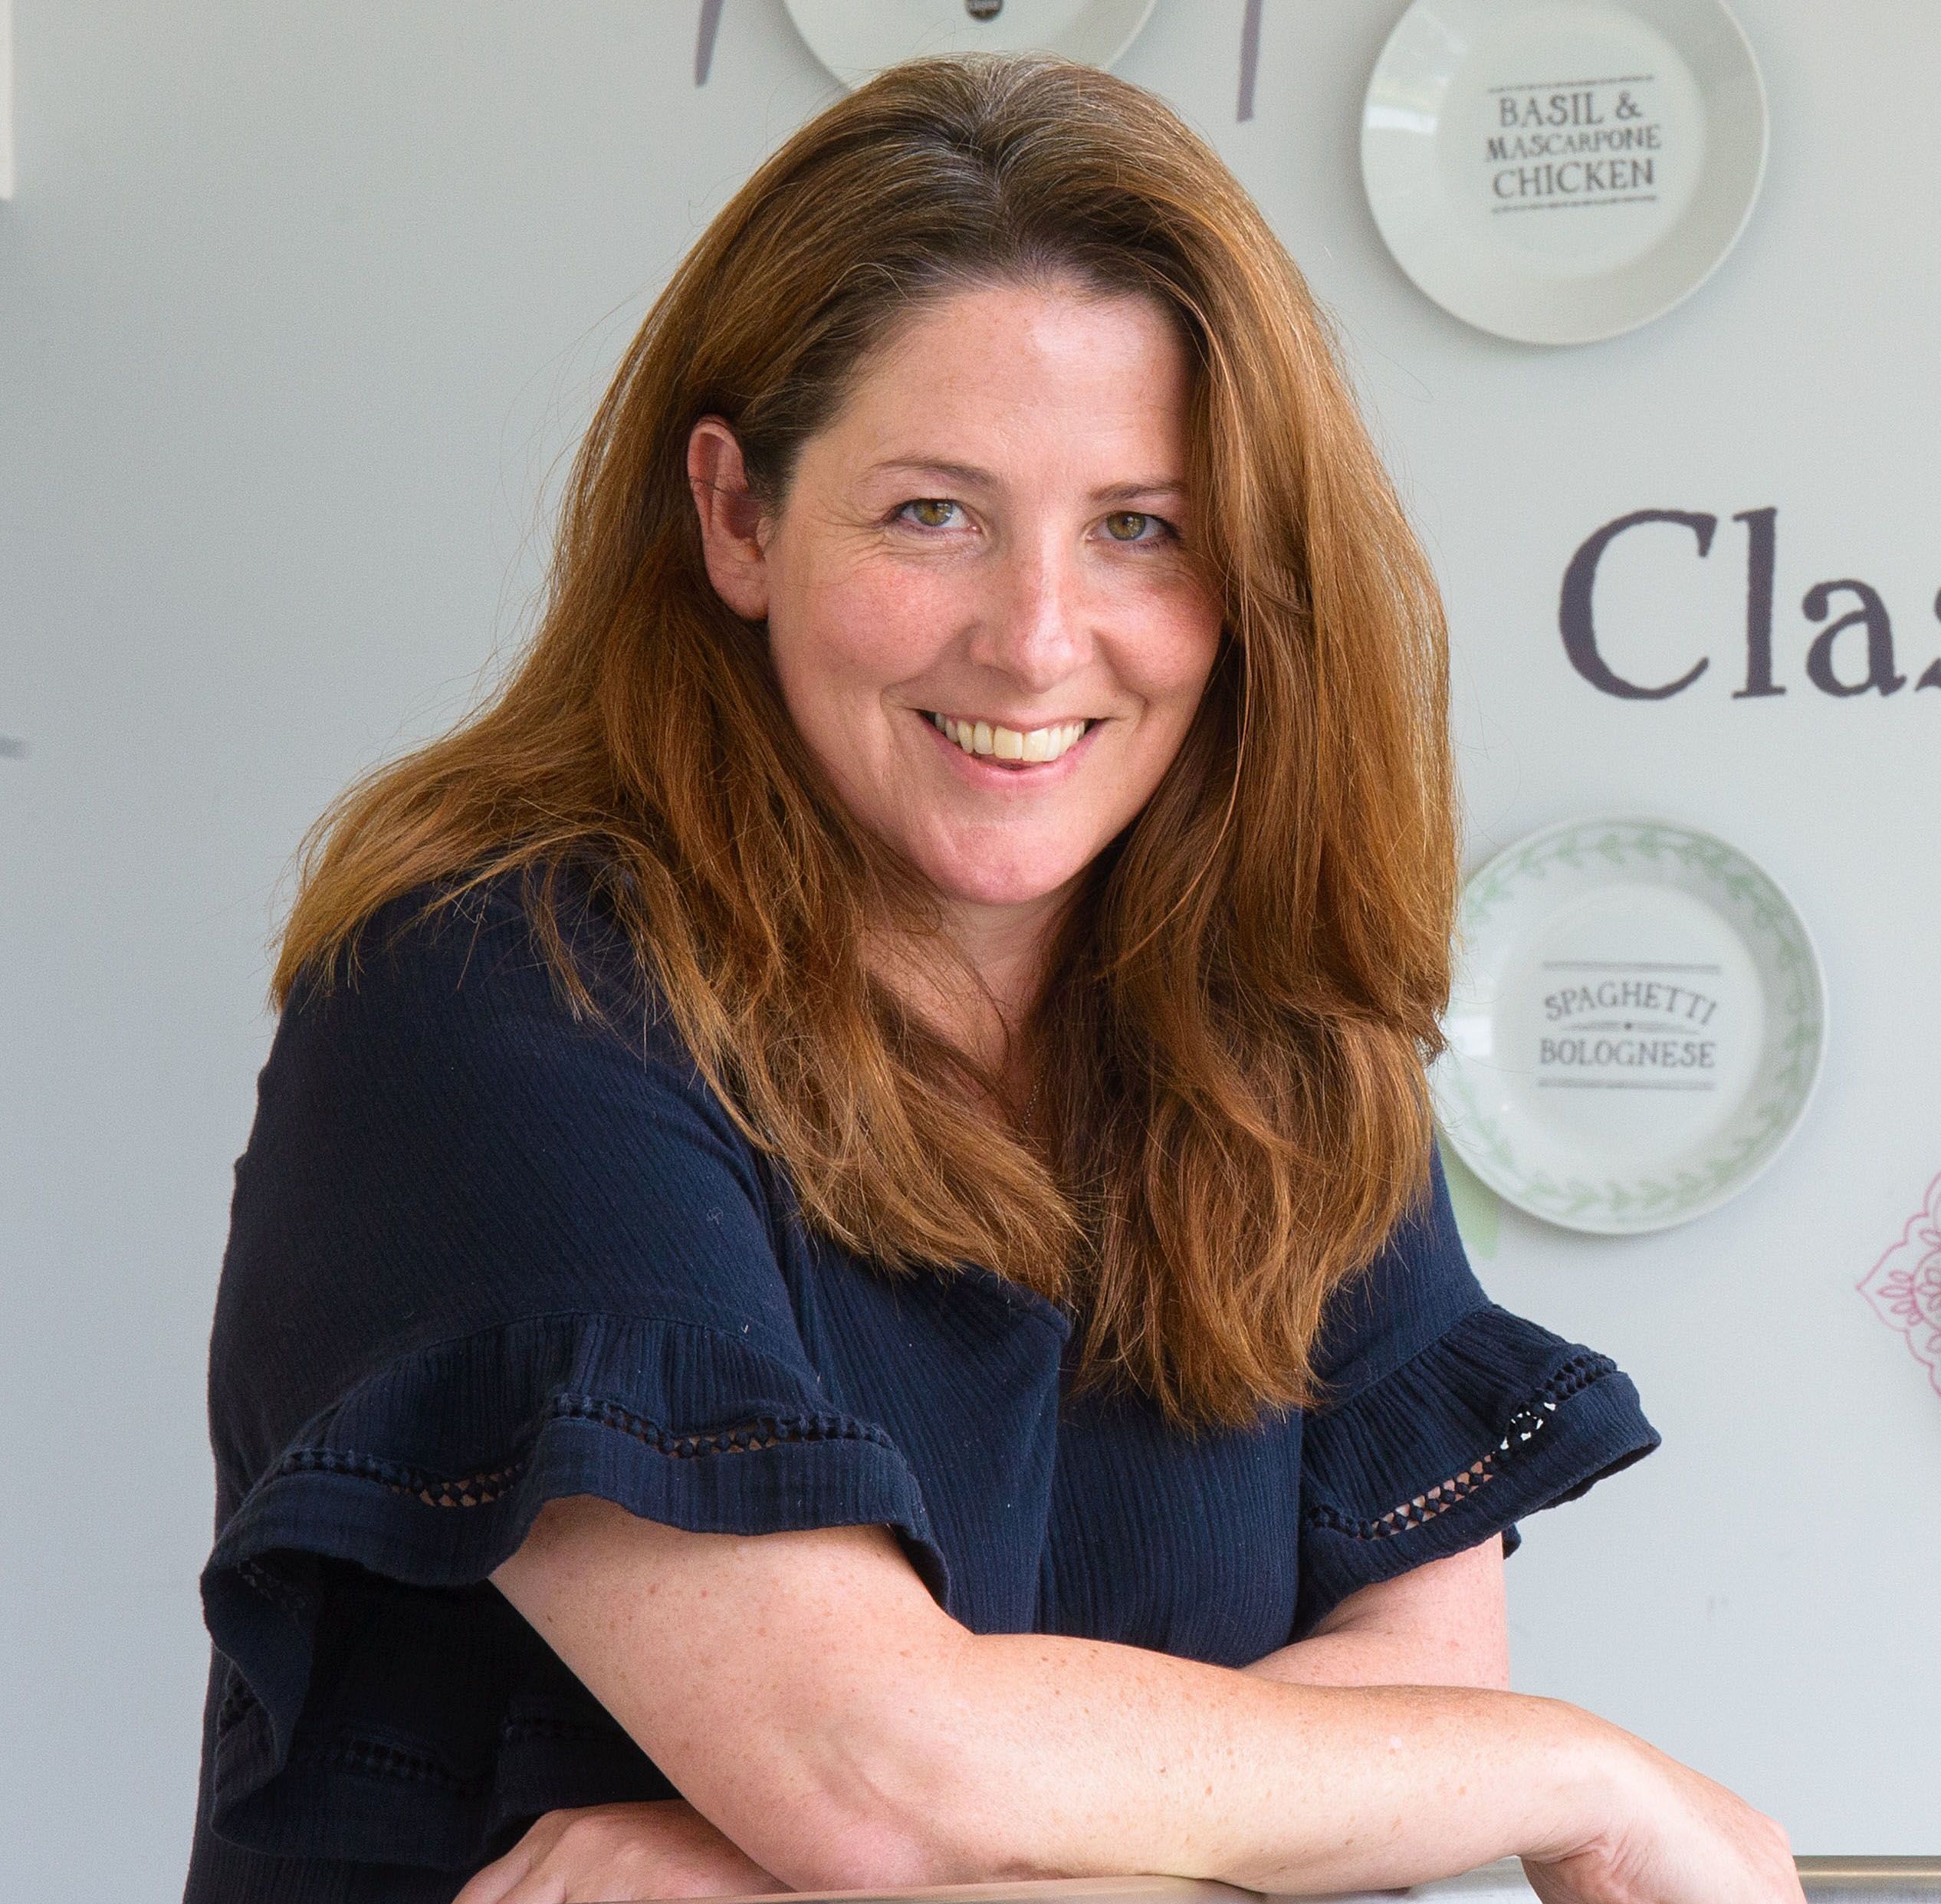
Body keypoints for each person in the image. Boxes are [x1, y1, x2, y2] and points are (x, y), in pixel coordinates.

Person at [182, 50, 1801, 1904]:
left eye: (1141, 526)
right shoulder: (491, 988)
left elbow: (1411, 1692)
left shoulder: (1284, 1025)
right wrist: (1580, 1777)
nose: (1037, 642)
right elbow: (881, 1778)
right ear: (736, 517)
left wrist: (785, 1867)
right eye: (931, 513)